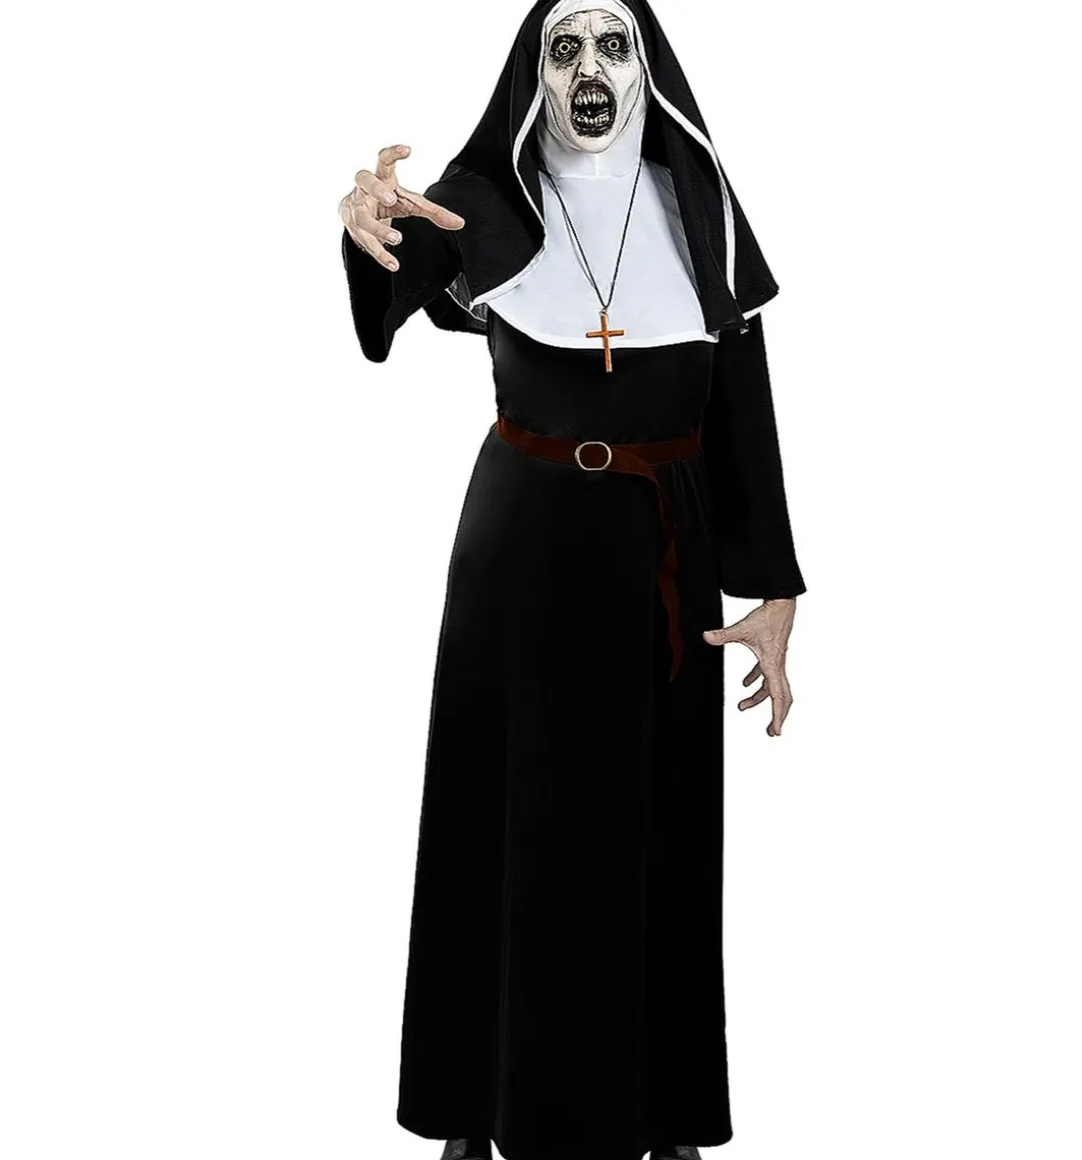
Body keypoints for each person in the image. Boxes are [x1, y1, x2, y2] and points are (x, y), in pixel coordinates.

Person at [337, 3, 807, 1159]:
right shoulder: (483, 201)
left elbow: (741, 407)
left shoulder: (697, 208)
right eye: (563, 46)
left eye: (611, 43)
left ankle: (659, 1107)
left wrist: (771, 592)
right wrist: (366, 228)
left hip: (662, 553)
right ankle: (478, 1104)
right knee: (498, 821)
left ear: (644, 69)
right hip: (521, 545)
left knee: (659, 831)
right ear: (534, 75)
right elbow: (397, 276)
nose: (588, 66)